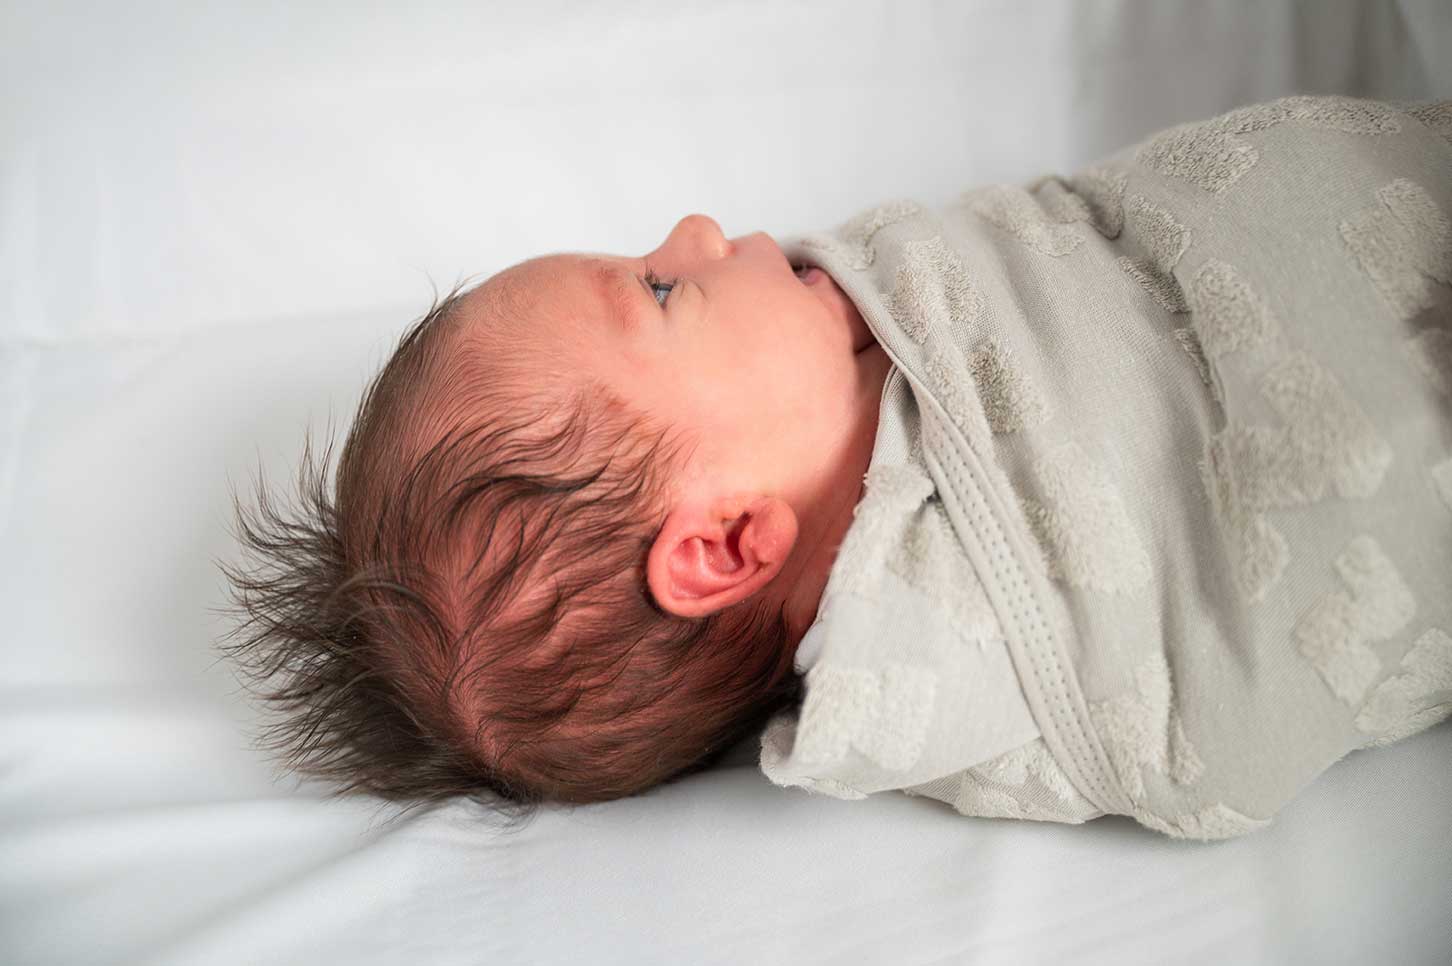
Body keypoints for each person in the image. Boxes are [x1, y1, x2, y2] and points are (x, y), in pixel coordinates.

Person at [221, 95, 1452, 838]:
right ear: (723, 545)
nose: (696, 231)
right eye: (662, 289)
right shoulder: (1000, 635)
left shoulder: (886, 328)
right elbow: (1229, 665)